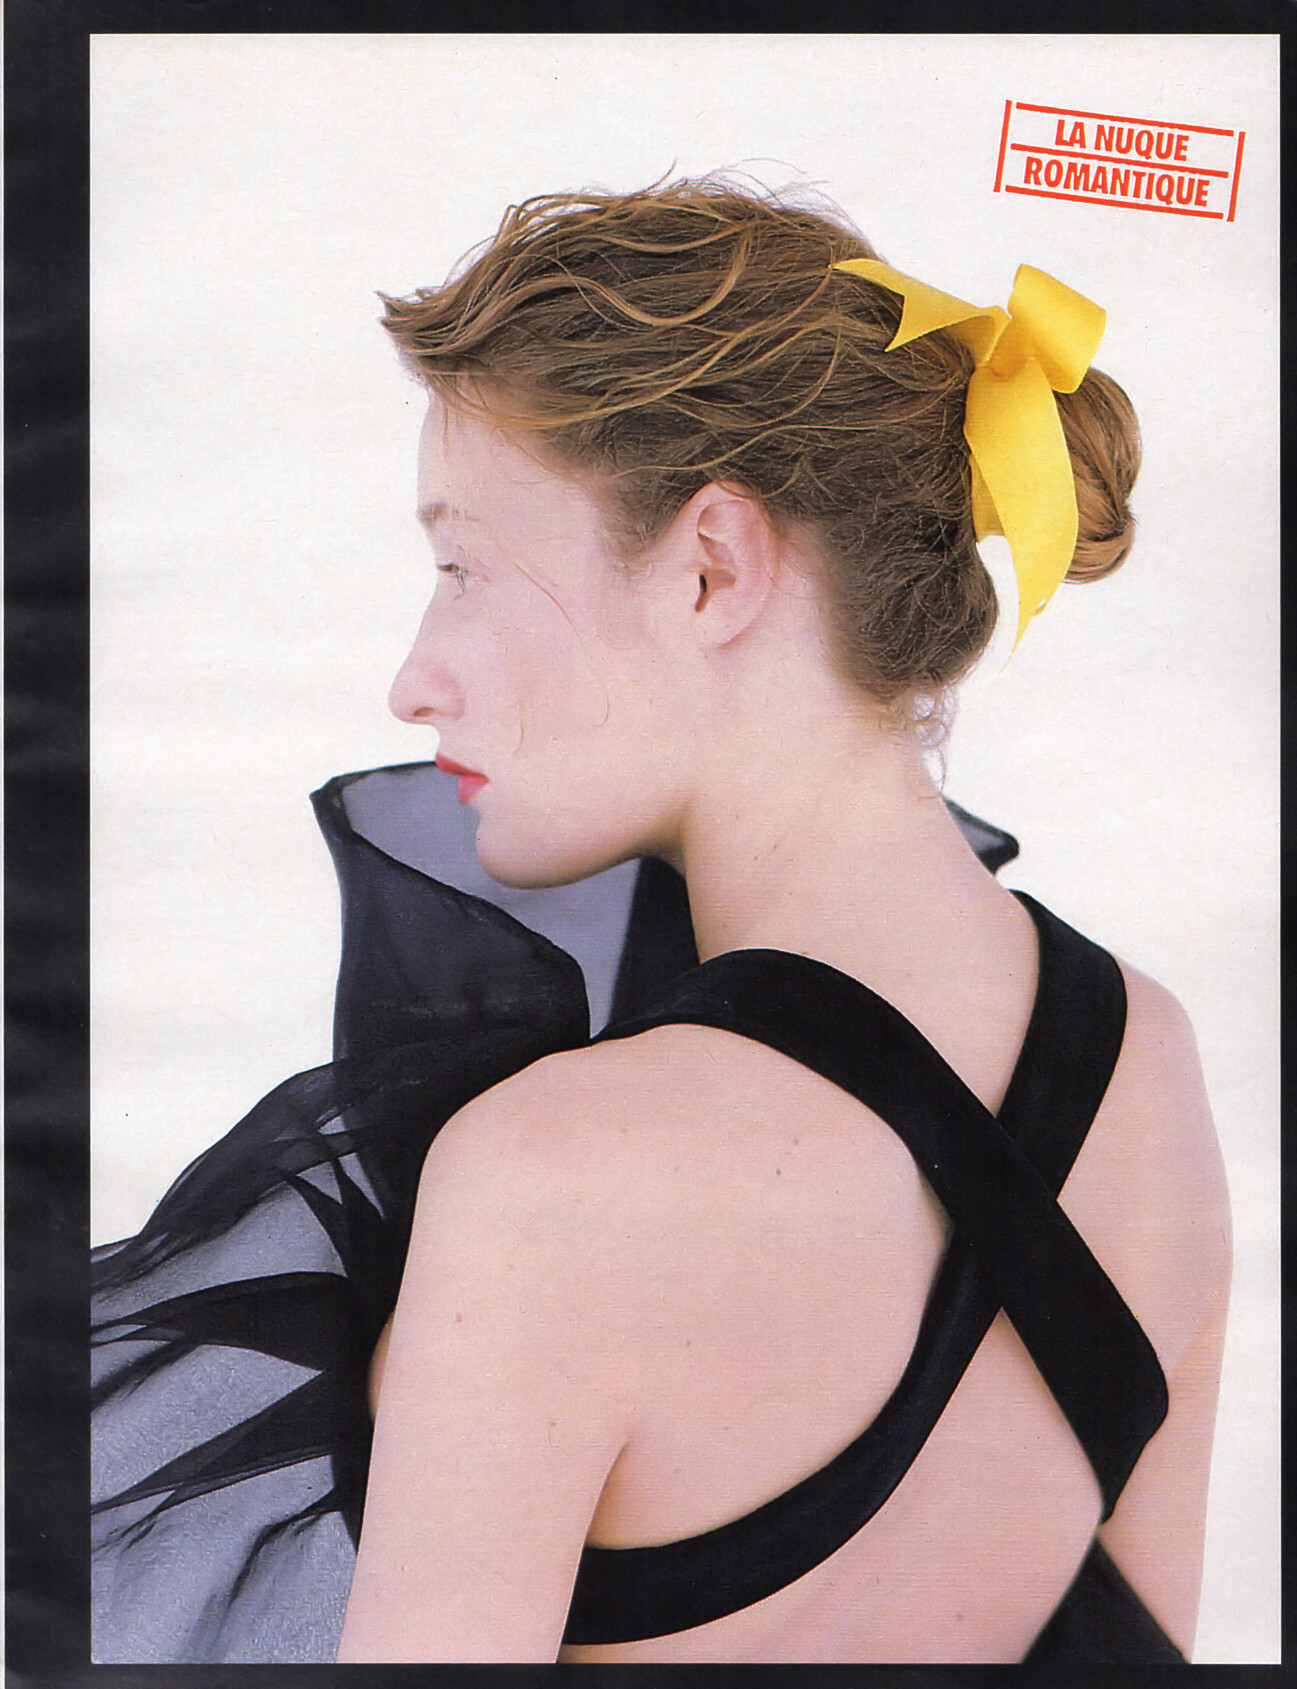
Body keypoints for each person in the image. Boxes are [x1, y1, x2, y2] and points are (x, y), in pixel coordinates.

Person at [91, 179, 1230, 1665]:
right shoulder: (1155, 1062)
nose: (415, 679)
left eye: (462, 569)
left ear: (712, 568)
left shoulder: (551, 1180)